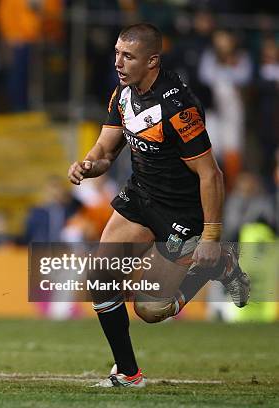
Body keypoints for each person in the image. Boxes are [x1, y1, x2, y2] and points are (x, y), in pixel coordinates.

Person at [67, 23, 250, 388]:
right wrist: (88, 165)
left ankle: (223, 263)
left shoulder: (179, 107)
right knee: (100, 278)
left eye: (128, 56)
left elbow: (211, 175)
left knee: (150, 310)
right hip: (141, 198)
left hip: (182, 214)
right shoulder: (122, 94)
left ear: (152, 61)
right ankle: (129, 373)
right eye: (117, 52)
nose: (118, 61)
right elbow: (106, 149)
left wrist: (212, 236)